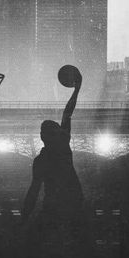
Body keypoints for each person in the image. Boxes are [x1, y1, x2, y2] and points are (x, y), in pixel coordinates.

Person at [22, 73, 84, 233]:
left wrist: (23, 219)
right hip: (73, 204)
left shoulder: (41, 161)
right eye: (58, 129)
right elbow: (67, 113)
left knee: (37, 244)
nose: (62, 131)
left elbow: (33, 192)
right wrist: (76, 90)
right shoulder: (62, 146)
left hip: (54, 207)